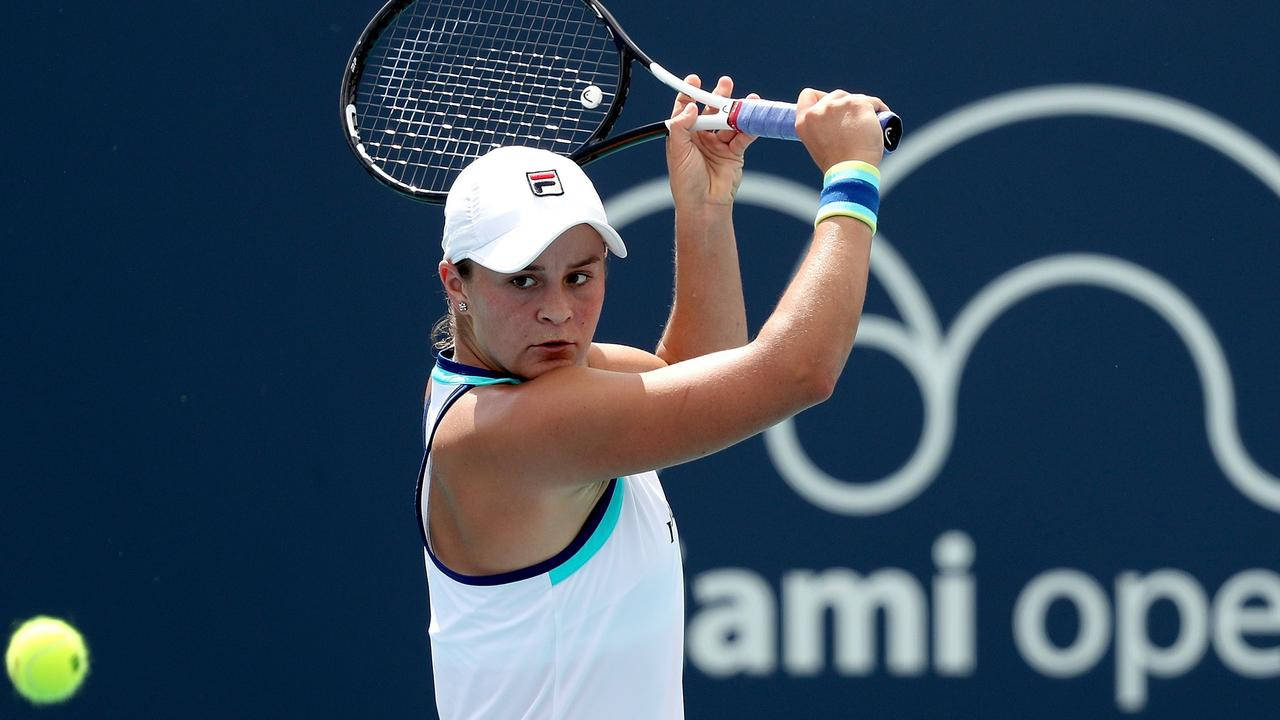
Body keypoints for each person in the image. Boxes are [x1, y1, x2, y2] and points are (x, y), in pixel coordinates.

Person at [417, 74, 892, 719]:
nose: (559, 312)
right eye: (524, 281)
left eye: (580, 276)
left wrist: (704, 206)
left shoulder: (530, 383)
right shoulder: (503, 433)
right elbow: (797, 373)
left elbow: (697, 372)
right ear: (457, 284)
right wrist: (852, 176)